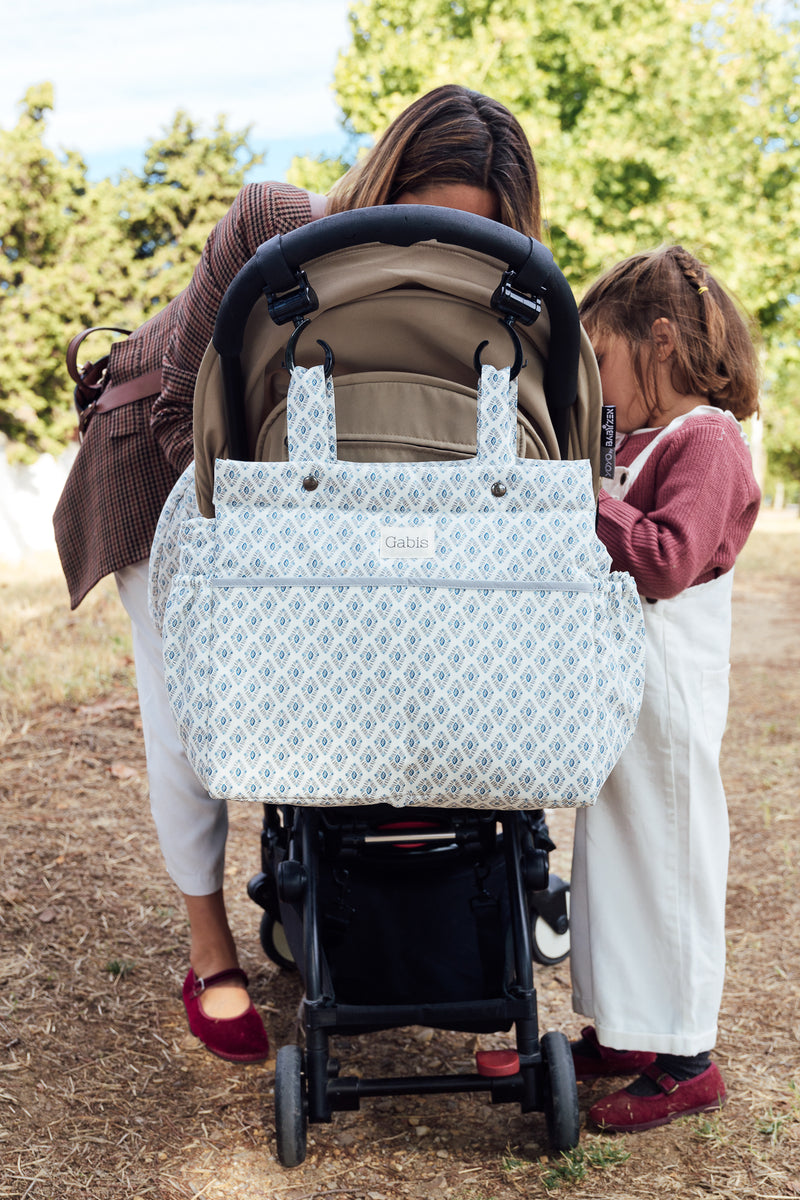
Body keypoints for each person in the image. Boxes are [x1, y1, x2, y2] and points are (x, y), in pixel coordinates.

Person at [53, 85, 543, 1063]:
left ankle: (314, 889)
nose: (436, 248)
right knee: (191, 709)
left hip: (303, 477)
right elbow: (183, 411)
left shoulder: (489, 285)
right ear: (383, 183)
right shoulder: (275, 223)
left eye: (470, 234)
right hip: (161, 450)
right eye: (425, 215)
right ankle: (208, 952)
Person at [568, 245, 761, 1130]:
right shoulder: (642, 439)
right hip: (617, 694)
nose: (596, 387)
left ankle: (687, 1055)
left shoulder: (709, 439)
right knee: (612, 860)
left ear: (658, 341)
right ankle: (625, 1028)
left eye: (599, 361)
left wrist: (580, 498)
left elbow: (666, 558)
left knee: (670, 860)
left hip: (666, 695)